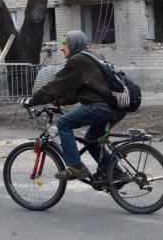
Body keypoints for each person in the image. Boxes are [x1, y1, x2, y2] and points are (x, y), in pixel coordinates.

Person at [23, 31, 124, 181]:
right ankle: (114, 173)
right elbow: (79, 91)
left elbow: (56, 86)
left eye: (65, 44)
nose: (62, 48)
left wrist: (32, 101)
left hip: (101, 107)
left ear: (74, 45)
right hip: (114, 106)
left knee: (63, 124)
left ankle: (76, 167)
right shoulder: (92, 57)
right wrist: (59, 101)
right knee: (91, 139)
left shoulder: (78, 60)